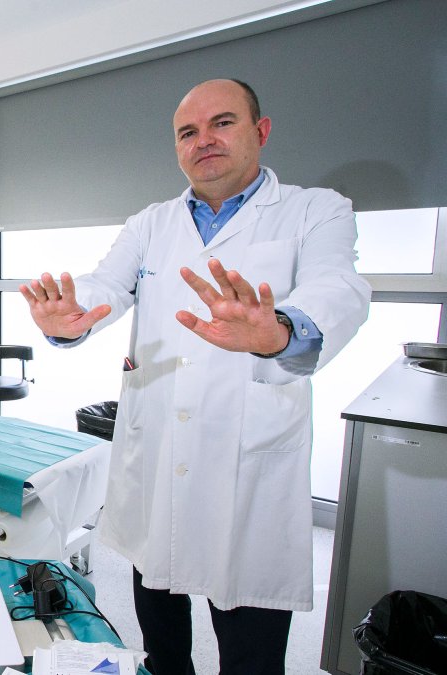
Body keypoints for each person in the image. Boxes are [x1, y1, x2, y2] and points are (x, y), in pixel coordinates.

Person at [20, 79, 370, 674]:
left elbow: (340, 287)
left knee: (250, 652)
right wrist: (68, 320)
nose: (204, 140)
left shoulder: (315, 210)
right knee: (161, 633)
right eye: (188, 132)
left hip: (248, 459)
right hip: (157, 452)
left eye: (222, 123)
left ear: (259, 132)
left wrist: (279, 329)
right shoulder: (150, 223)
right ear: (177, 147)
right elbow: (107, 285)